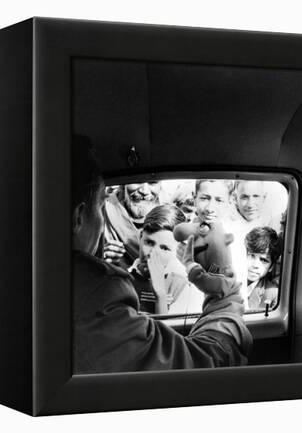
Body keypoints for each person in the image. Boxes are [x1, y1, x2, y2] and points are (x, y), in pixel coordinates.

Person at [72, 139, 252, 374]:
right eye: (99, 207)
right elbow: (202, 368)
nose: (152, 253)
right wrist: (223, 295)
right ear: (79, 216)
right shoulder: (98, 294)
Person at [129, 203, 204, 314]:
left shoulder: (181, 285)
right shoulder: (124, 279)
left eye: (164, 248)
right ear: (140, 237)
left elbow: (167, 331)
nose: (153, 253)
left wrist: (161, 296)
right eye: (149, 242)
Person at [103, 180, 161, 269]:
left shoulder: (167, 214)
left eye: (152, 182)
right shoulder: (104, 210)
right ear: (124, 184)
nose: (145, 191)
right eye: (137, 181)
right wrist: (100, 257)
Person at [244, 227, 281, 310]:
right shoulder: (226, 281)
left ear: (271, 267)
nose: (255, 265)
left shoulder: (272, 294)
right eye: (251, 255)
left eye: (264, 260)